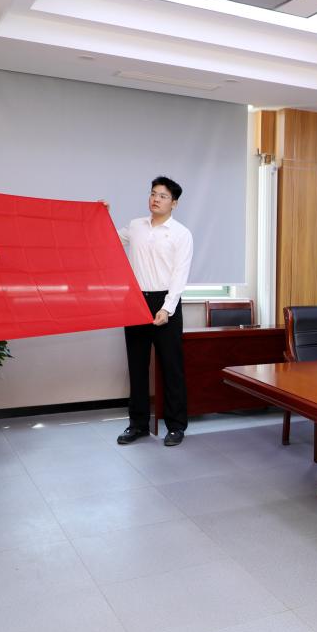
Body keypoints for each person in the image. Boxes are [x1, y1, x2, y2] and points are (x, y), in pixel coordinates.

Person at [114, 176, 193, 447]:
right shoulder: (136, 226)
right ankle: (137, 425)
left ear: (174, 203)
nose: (155, 199)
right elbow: (108, 239)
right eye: (153, 193)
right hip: (135, 300)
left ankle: (176, 426)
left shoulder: (181, 233)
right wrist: (101, 214)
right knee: (136, 367)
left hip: (165, 302)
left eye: (162, 196)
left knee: (172, 367)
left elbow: (180, 274)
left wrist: (167, 308)